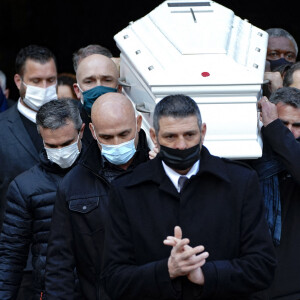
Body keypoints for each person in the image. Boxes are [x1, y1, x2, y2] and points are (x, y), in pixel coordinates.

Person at [101, 94, 277, 300]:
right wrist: (167, 270)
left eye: (189, 134)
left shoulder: (240, 182)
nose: (182, 145)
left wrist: (206, 274)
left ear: (203, 132)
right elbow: (113, 279)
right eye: (171, 137)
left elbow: (263, 267)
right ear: (154, 136)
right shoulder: (126, 190)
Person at [45, 92, 150, 300]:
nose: (117, 143)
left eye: (124, 134)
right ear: (92, 131)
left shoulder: (160, 172)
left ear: (138, 123)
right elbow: (59, 263)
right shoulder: (73, 184)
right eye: (107, 137)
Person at [0, 99, 84, 300]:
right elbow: (11, 254)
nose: (61, 151)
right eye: (52, 145)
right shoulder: (25, 187)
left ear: (81, 132)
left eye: (67, 143)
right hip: (51, 290)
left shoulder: (100, 174)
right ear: (41, 138)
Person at [0, 44, 57, 229]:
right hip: (19, 244)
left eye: (50, 80)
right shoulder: (2, 128)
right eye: (36, 81)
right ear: (18, 81)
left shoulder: (76, 120)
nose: (45, 87)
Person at [251, 88, 300, 299]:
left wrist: (274, 128)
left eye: (297, 125)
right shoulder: (250, 157)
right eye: (283, 123)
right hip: (251, 282)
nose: (291, 132)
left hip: (292, 286)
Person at [71, 44, 121, 146]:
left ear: (119, 88)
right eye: (89, 81)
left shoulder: (135, 121)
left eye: (107, 80)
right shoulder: (69, 126)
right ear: (77, 90)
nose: (98, 88)